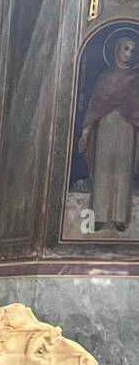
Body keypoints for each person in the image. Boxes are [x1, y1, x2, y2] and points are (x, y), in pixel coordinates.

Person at [79, 32, 139, 233]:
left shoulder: (135, 79)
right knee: (103, 168)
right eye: (126, 48)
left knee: (122, 170)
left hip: (127, 127)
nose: (129, 53)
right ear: (117, 49)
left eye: (132, 50)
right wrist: (86, 131)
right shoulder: (105, 77)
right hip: (106, 126)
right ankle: (100, 216)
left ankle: (120, 217)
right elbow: (95, 105)